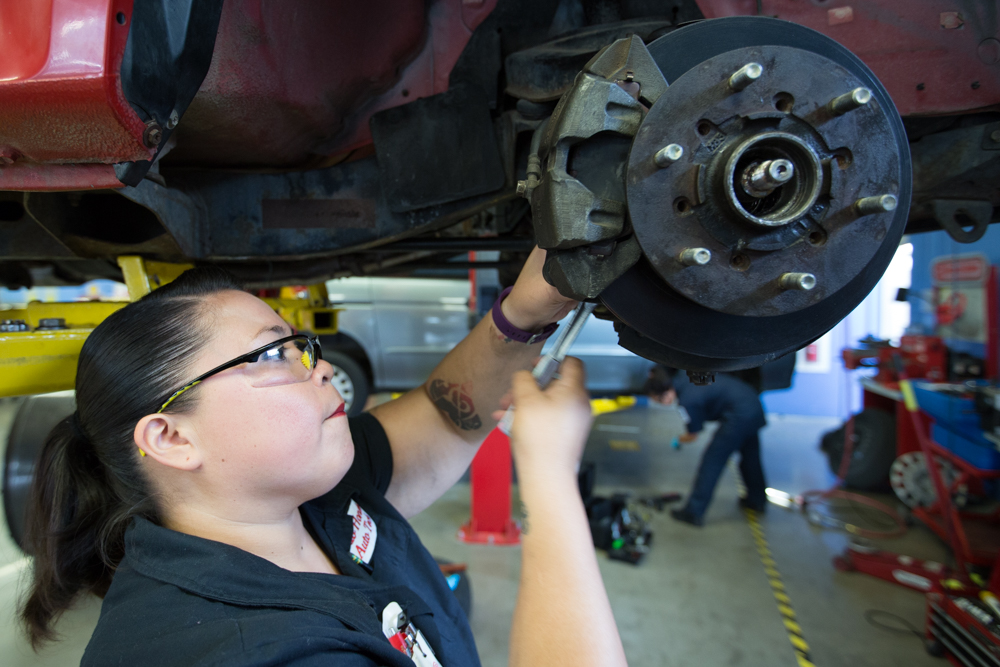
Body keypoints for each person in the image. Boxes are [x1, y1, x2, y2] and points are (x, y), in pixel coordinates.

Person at [21, 247, 628, 667]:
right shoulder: (236, 651)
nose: (324, 369)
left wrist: (524, 312)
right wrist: (550, 481)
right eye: (269, 357)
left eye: (301, 347)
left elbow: (445, 414)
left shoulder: (301, 495)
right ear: (172, 438)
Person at [645, 366, 768, 527]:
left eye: (659, 400)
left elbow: (693, 435)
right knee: (751, 459)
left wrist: (678, 439)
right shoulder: (685, 377)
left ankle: (693, 512)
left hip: (738, 415)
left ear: (666, 392)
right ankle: (757, 500)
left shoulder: (688, 400)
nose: (662, 404)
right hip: (752, 404)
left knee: (712, 462)